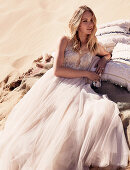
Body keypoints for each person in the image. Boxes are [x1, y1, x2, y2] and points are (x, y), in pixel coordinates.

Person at [0, 5, 129, 170]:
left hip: (78, 87)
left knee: (99, 113)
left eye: (92, 20)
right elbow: (57, 70)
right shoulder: (65, 41)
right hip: (56, 84)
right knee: (45, 123)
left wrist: (103, 61)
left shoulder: (92, 44)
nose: (90, 24)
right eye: (85, 21)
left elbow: (106, 54)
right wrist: (87, 73)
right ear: (77, 23)